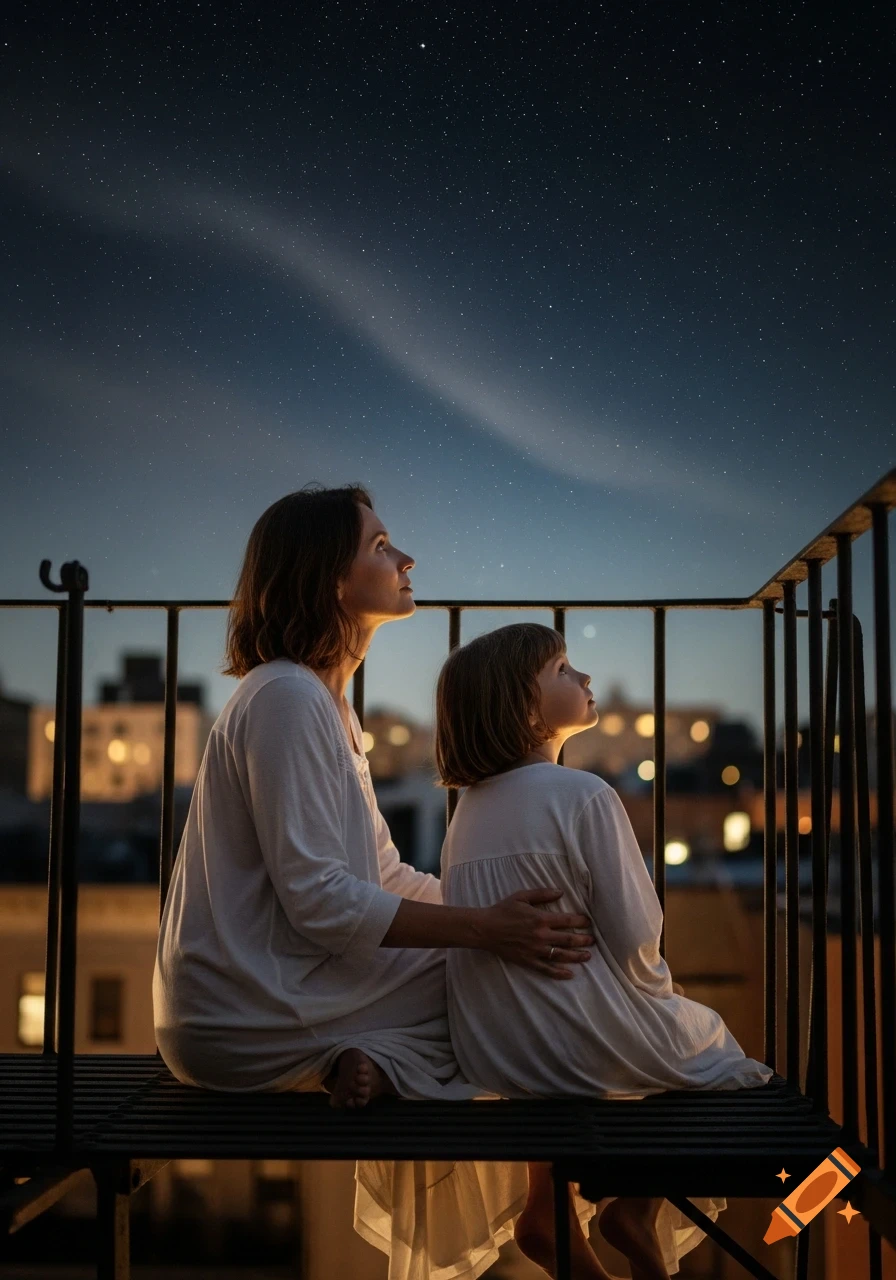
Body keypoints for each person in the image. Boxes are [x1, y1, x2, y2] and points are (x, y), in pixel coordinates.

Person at [152, 483, 596, 1280]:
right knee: (523, 981)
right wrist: (486, 929)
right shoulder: (287, 696)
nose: (405, 558)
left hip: (272, 988)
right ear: (330, 578)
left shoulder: (322, 702)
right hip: (242, 1007)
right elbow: (320, 900)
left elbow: (380, 873)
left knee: (518, 962)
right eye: (380, 546)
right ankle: (549, 1210)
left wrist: (486, 914)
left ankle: (384, 1061)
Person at [435, 622, 775, 1280]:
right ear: (523, 706)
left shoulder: (467, 813)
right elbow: (636, 933)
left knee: (557, 1033)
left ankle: (545, 1211)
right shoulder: (583, 794)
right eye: (563, 670)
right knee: (720, 1051)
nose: (585, 679)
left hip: (495, 1048)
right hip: (575, 1048)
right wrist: (659, 998)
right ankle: (636, 1207)